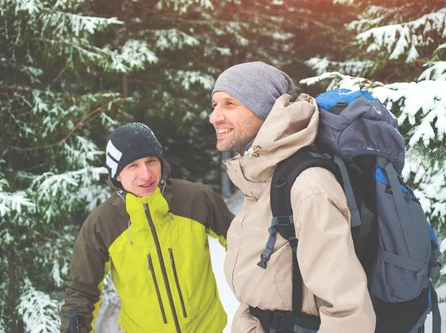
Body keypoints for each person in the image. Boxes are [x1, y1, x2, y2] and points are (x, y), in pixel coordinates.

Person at [209, 61, 376, 333]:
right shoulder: (264, 176)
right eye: (214, 105)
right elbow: (264, 289)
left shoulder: (307, 185)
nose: (214, 116)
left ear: (263, 109)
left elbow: (347, 312)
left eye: (229, 104)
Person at [60, 122, 235, 333]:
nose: (146, 175)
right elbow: (82, 292)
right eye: (132, 165)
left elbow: (243, 244)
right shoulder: (102, 224)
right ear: (117, 174)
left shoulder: (196, 199)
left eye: (151, 161)